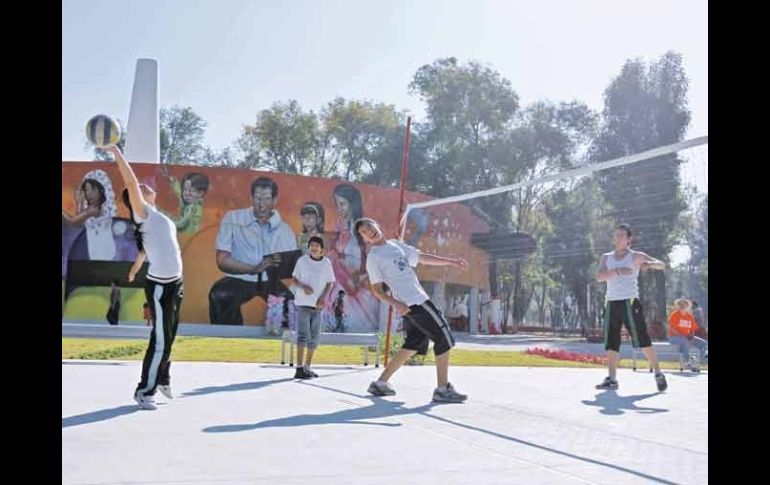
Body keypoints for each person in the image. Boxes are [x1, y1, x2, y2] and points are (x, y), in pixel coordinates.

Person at [355, 218, 469, 403]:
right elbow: (377, 290)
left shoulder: (396, 245)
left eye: (370, 227)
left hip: (413, 302)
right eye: (364, 232)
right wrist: (396, 304)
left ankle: (380, 383)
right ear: (364, 239)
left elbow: (421, 257)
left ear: (377, 226)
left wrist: (451, 262)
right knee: (443, 337)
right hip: (415, 303)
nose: (369, 232)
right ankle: (442, 389)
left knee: (414, 343)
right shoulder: (374, 258)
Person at [107, 145, 184, 411]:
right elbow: (129, 181)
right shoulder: (142, 213)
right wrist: (117, 152)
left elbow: (144, 250)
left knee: (169, 336)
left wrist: (134, 269)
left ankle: (162, 378)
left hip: (176, 283)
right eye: (139, 188)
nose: (143, 186)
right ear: (135, 198)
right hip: (161, 287)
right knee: (160, 339)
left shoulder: (156, 218)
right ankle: (144, 391)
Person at [208, 177, 297, 324]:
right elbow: (222, 260)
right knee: (220, 294)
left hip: (270, 281)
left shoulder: (285, 230)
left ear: (275, 200)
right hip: (239, 278)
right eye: (258, 198)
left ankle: (279, 337)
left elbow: (292, 268)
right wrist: (252, 269)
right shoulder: (233, 218)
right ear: (251, 198)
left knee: (291, 304)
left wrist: (281, 264)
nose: (261, 204)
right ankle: (228, 337)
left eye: (267, 199)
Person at [595, 223, 668, 392]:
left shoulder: (635, 256)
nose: (618, 238)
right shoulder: (606, 257)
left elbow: (661, 264)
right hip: (611, 302)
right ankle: (612, 379)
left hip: (630, 302)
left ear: (629, 239)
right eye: (616, 235)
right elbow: (599, 277)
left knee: (642, 338)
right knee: (611, 341)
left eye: (622, 235)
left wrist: (649, 264)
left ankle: (658, 373)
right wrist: (617, 271)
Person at [287, 236, 336, 379]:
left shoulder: (326, 263)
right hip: (303, 303)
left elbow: (330, 283)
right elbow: (294, 280)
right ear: (308, 248)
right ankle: (299, 368)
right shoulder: (302, 261)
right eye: (311, 245)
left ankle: (307, 368)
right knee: (303, 335)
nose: (314, 248)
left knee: (314, 338)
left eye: (316, 246)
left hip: (318, 306)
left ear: (322, 249)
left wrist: (323, 298)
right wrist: (303, 286)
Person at [164, 169, 210, 234]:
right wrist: (172, 180)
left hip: (187, 235)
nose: (187, 193)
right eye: (185, 189)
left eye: (191, 191)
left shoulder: (193, 208)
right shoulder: (189, 199)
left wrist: (169, 221)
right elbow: (179, 191)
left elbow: (181, 224)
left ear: (200, 194)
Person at [668, 298, 708, 370]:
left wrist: (692, 337)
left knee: (704, 343)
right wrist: (685, 337)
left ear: (687, 306)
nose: (682, 306)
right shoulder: (675, 315)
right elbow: (673, 330)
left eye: (684, 304)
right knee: (685, 341)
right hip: (674, 337)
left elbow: (692, 329)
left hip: (687, 337)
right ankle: (688, 363)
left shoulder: (689, 316)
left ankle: (699, 362)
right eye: (680, 304)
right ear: (677, 306)